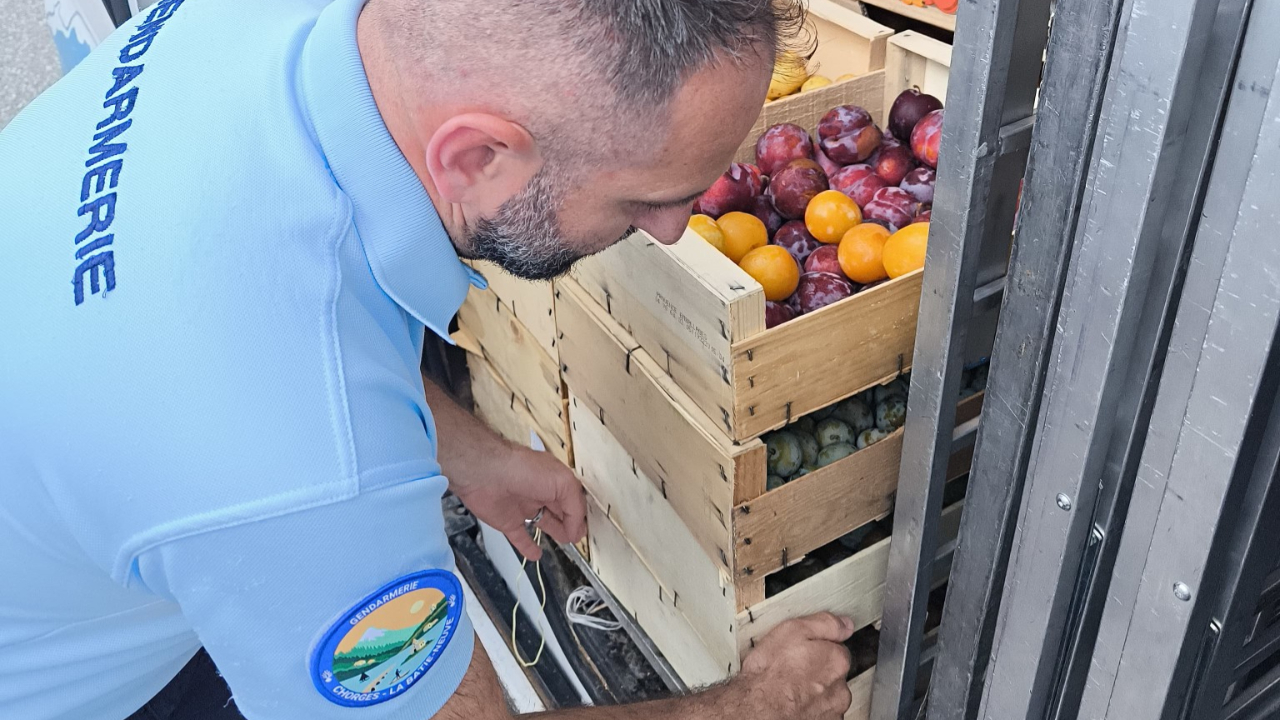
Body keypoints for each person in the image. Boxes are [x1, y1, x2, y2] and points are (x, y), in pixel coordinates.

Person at [0, 0, 856, 719]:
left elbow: (285, 319)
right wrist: (755, 704)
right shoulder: (286, 465)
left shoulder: (312, 30)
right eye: (647, 200)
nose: (674, 230)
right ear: (477, 157)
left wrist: (464, 450)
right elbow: (277, 420)